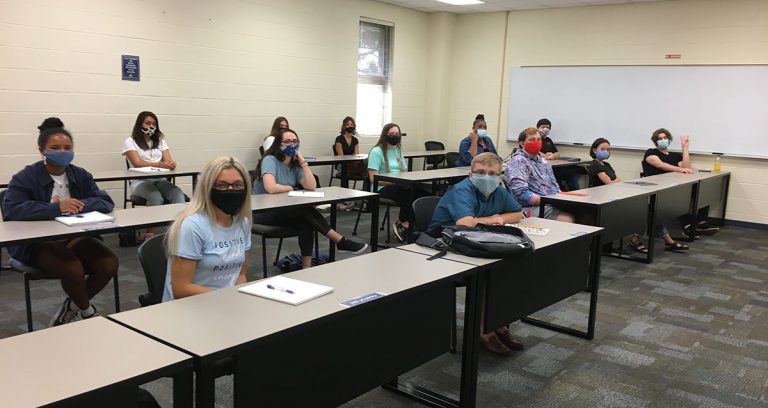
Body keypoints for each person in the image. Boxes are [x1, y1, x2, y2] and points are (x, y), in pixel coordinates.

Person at [2, 117, 118, 326]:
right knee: (72, 268)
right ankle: (87, 311)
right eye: (55, 148)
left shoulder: (80, 175)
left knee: (109, 263)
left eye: (67, 148)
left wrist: (81, 204)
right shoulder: (26, 177)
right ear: (42, 151)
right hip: (37, 242)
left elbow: (105, 201)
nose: (62, 152)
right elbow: (12, 209)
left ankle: (71, 307)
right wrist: (56, 208)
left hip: (73, 236)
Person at [429, 153, 525, 354]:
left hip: (476, 241)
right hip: (441, 246)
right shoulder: (462, 190)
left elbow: (517, 214)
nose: (487, 177)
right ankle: (482, 330)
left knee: (510, 266)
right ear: (470, 174)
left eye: (492, 173)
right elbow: (465, 223)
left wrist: (485, 219)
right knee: (489, 273)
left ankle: (498, 324)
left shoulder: (499, 191)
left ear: (500, 177)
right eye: (481, 172)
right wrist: (495, 218)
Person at [253, 128, 368, 268]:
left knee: (306, 222)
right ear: (278, 144)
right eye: (287, 142)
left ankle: (306, 268)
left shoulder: (294, 164)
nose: (291, 145)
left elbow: (311, 186)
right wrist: (289, 188)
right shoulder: (270, 160)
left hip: (283, 211)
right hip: (263, 212)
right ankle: (340, 241)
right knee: (304, 211)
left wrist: (302, 161)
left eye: (294, 141)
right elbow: (270, 187)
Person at [163, 157, 253, 301]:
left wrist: (238, 299)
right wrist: (226, 298)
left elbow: (240, 275)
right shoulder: (192, 226)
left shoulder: (243, 222)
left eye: (237, 185)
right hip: (190, 307)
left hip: (224, 303)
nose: (230, 190)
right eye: (221, 185)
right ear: (208, 188)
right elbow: (180, 289)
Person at [642, 128, 717, 242]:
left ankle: (699, 223)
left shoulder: (675, 156)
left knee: (701, 194)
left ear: (669, 139)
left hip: (675, 185)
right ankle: (687, 226)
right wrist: (680, 170)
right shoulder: (651, 152)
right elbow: (660, 165)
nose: (663, 140)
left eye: (665, 138)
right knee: (682, 198)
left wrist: (685, 148)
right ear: (655, 141)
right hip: (659, 187)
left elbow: (686, 166)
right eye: (660, 139)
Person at [123, 111, 186, 241]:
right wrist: (160, 164)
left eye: (153, 124)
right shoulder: (130, 141)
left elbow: (168, 160)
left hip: (159, 179)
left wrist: (171, 164)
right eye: (147, 123)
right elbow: (137, 163)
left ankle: (176, 231)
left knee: (178, 194)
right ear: (139, 124)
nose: (151, 126)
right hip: (140, 182)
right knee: (155, 197)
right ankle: (149, 234)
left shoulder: (160, 141)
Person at [367, 123, 432, 242]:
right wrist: (394, 182)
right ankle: (406, 226)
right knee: (409, 193)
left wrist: (402, 182)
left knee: (423, 193)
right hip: (382, 187)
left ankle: (405, 224)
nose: (394, 136)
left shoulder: (398, 150)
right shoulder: (376, 151)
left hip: (400, 185)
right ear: (385, 135)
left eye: (397, 134)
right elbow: (373, 178)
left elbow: (404, 172)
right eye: (391, 134)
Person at [504, 127, 575, 222]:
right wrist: (547, 201)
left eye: (539, 139)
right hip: (528, 207)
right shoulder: (518, 162)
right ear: (522, 143)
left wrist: (560, 198)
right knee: (567, 219)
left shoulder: (544, 162)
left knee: (586, 212)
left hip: (550, 202)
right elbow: (521, 193)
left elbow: (554, 186)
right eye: (532, 140)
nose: (536, 142)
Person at [537, 118, 580, 191]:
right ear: (537, 128)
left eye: (547, 127)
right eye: (543, 127)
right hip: (541, 168)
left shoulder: (548, 140)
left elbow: (557, 153)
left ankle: (576, 193)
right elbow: (535, 152)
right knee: (570, 171)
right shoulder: (535, 139)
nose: (545, 129)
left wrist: (553, 155)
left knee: (571, 171)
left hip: (552, 167)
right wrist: (545, 156)